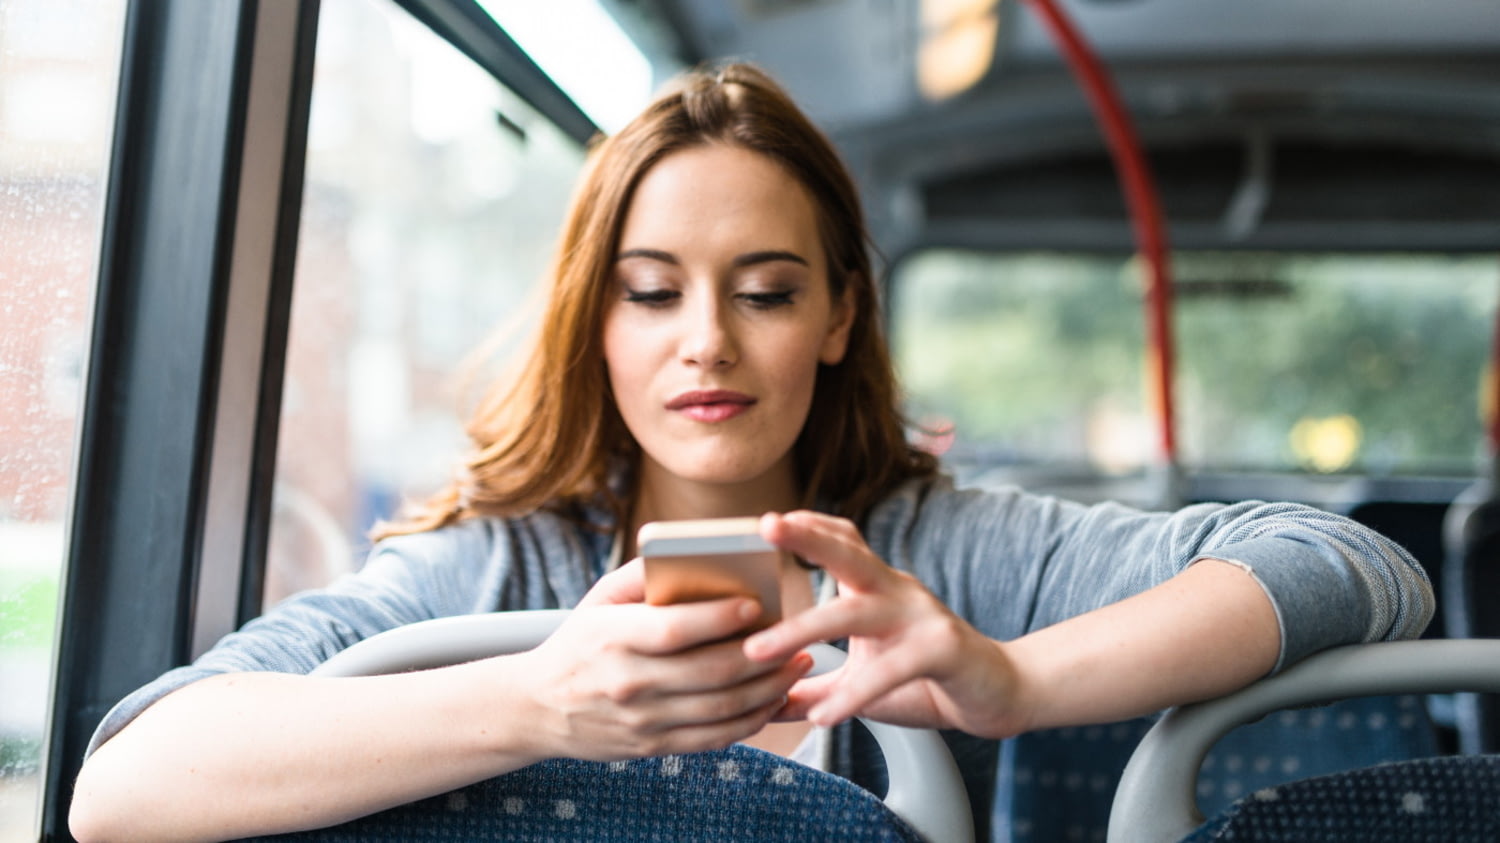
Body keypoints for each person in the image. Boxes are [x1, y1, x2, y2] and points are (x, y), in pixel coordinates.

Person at [68, 62, 1432, 842]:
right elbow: (125, 787)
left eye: (768, 292)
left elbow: (1356, 566)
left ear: (840, 314)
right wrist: (538, 706)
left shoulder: (943, 552)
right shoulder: (490, 573)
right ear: (592, 322)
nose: (706, 342)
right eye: (652, 293)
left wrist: (1008, 679)